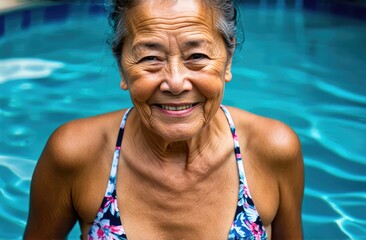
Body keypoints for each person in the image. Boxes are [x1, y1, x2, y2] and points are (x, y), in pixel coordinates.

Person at [24, 0, 304, 239]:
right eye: (150, 58)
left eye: (197, 56)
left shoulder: (274, 148)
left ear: (227, 59)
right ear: (122, 65)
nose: (175, 82)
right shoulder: (75, 153)